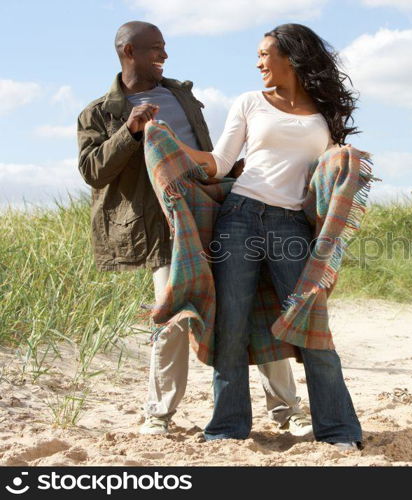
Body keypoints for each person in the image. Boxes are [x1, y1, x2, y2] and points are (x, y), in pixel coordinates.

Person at [77, 21, 311, 437]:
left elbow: (212, 156)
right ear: (128, 52)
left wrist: (232, 170)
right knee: (175, 315)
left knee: (260, 302)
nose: (163, 56)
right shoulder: (99, 112)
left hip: (219, 212)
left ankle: (287, 409)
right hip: (163, 226)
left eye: (164, 48)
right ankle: (159, 414)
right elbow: (93, 171)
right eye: (154, 49)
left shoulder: (181, 96)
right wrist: (130, 132)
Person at [165, 23, 363, 449]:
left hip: (292, 226)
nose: (258, 63)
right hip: (240, 217)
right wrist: (166, 145)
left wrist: (342, 164)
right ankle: (226, 427)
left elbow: (325, 171)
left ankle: (339, 430)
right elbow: (219, 162)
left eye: (264, 54)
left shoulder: (323, 113)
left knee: (314, 327)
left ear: (289, 57)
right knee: (231, 327)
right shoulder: (250, 102)